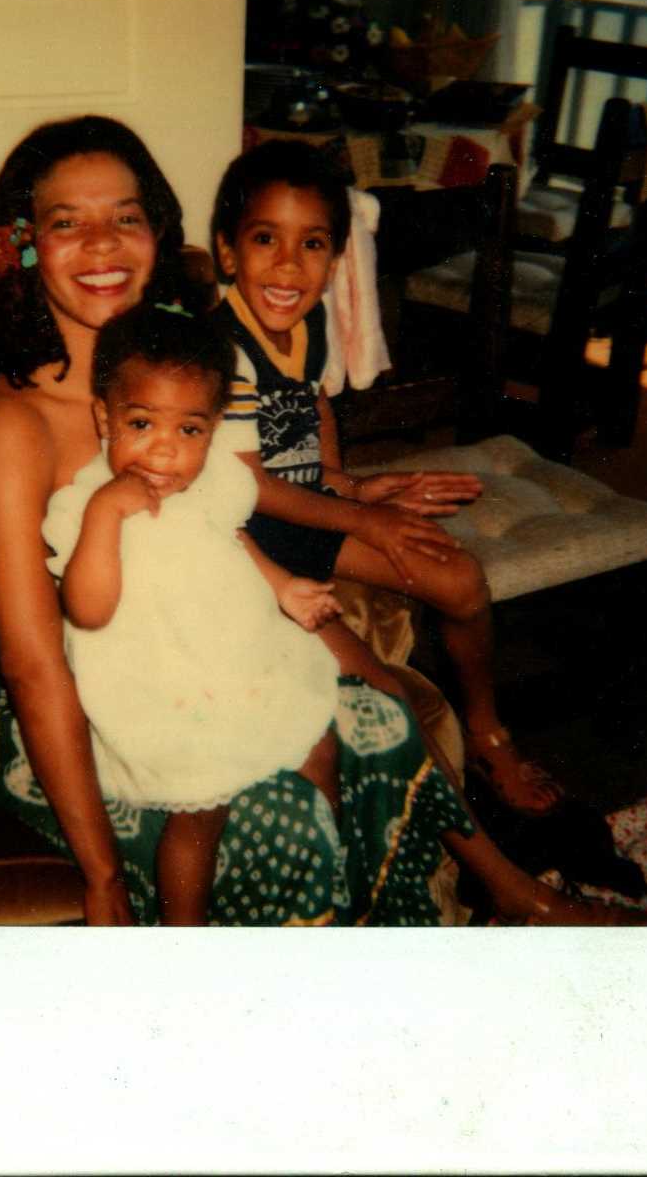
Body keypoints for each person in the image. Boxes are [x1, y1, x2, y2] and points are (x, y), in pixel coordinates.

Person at [0, 113, 646, 926]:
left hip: (197, 640)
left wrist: (332, 524)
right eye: (67, 223)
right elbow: (33, 666)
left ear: (158, 233)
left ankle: (521, 897)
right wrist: (100, 876)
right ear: (26, 243)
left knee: (378, 717)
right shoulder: (12, 421)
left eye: (124, 217)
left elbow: (235, 495)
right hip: (91, 692)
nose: (101, 244)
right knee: (273, 813)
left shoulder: (178, 360)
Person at [209, 139, 561, 817]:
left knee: (460, 578)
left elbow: (314, 406)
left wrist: (346, 481)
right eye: (264, 239)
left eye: (312, 244)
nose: (289, 263)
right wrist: (363, 517)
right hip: (244, 534)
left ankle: (488, 732)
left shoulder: (306, 318)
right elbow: (246, 488)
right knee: (396, 651)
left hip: (306, 511)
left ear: (336, 256)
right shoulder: (224, 351)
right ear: (227, 252)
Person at [45, 302, 343, 924]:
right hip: (157, 682)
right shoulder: (84, 502)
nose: (164, 452)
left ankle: (329, 866)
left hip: (226, 652)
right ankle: (184, 934)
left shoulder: (206, 486)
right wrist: (107, 514)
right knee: (199, 811)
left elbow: (233, 538)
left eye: (190, 431)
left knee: (317, 732)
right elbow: (88, 610)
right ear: (105, 417)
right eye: (142, 423)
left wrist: (283, 584)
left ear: (213, 429)